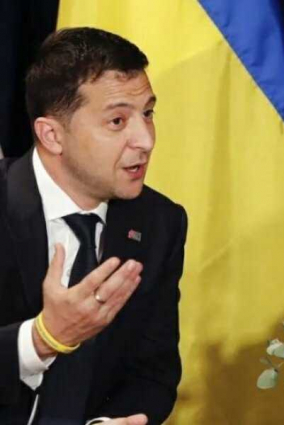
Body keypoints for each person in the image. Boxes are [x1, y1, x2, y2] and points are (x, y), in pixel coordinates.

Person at [0, 27, 186, 425]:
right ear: (52, 135)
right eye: (117, 120)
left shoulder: (159, 222)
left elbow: (153, 371)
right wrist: (43, 339)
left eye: (148, 113)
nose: (145, 140)